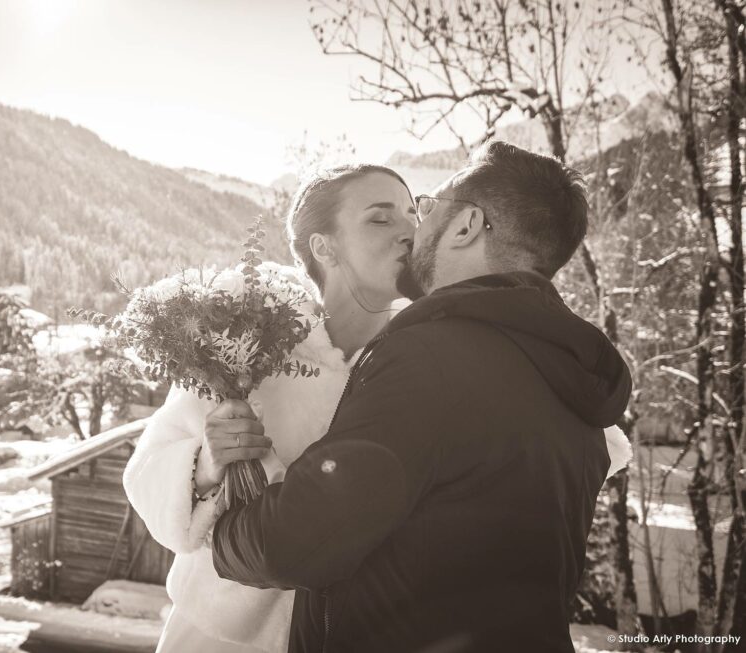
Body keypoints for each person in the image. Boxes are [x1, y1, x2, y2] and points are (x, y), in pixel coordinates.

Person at [211, 141, 634, 653]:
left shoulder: (434, 357)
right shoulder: (573, 381)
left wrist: (225, 532)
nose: (416, 226)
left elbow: (297, 542)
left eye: (427, 205)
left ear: (467, 226)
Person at [122, 164, 419, 653]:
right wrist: (205, 463)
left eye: (413, 215)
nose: (410, 233)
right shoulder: (242, 337)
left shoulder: (421, 359)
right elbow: (145, 473)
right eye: (381, 219)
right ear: (325, 247)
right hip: (219, 640)